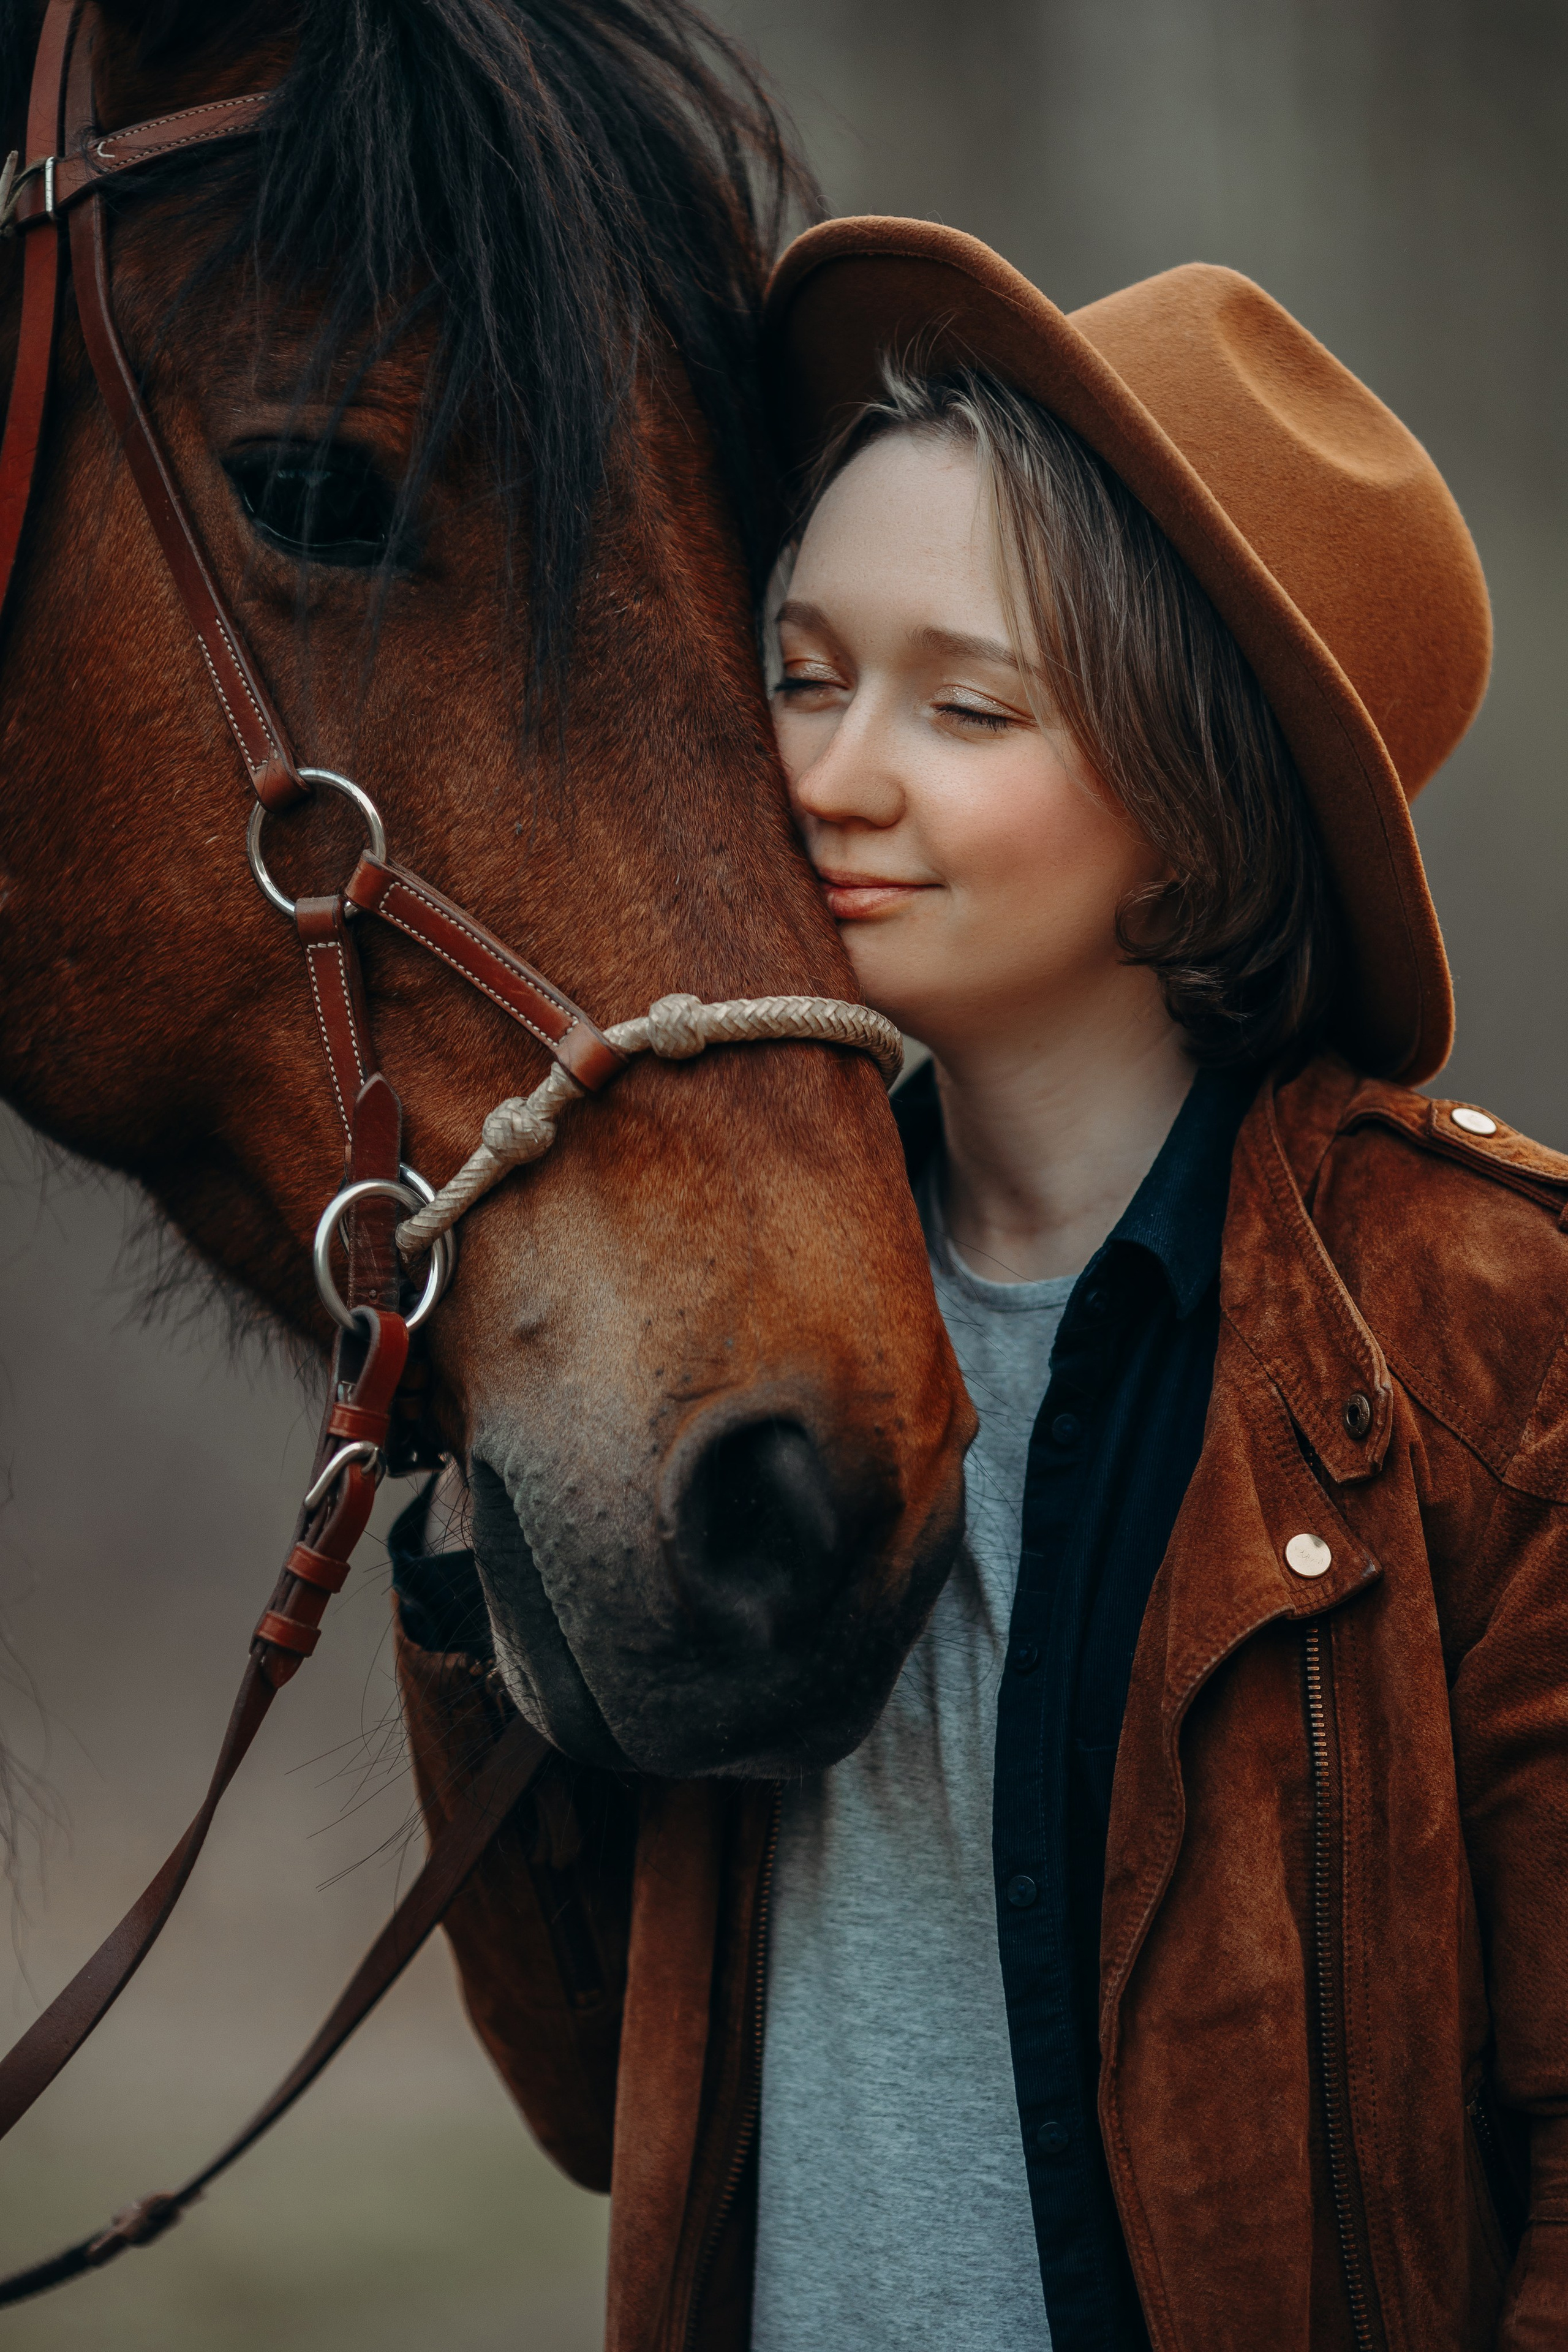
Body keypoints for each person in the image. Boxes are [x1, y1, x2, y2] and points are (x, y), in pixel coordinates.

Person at [392, 221, 1568, 2351]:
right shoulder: (721, 1316)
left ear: (1199, 814)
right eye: (805, 672)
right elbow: (600, 2101)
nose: (828, 777)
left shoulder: (1493, 1337)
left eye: (961, 703)